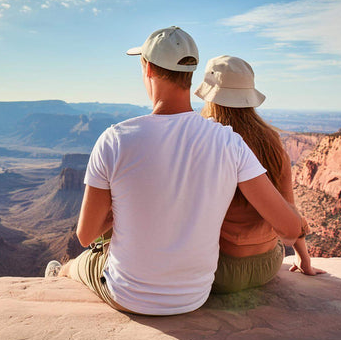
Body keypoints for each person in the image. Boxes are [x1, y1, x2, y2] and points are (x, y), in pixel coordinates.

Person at [46, 26, 307, 316]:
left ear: (147, 69)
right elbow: (290, 228)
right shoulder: (229, 142)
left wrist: (123, 209)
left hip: (126, 295)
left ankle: (59, 274)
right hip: (194, 297)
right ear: (191, 75)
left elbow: (85, 236)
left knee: (81, 261)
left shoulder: (115, 138)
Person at [194, 55, 325, 293]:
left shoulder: (206, 139)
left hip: (218, 270)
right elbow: (288, 208)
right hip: (266, 265)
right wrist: (304, 259)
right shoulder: (271, 141)